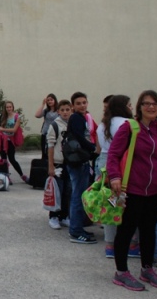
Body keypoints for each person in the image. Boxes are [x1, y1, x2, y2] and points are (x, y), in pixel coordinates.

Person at [107, 90, 157, 291]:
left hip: (155, 191)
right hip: (131, 190)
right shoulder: (129, 127)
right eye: (146, 103)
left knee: (148, 231)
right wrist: (115, 176)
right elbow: (113, 154)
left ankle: (147, 269)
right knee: (126, 231)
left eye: (155, 104)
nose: (151, 107)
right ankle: (121, 272)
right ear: (139, 107)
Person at [95, 95, 138, 258]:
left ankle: (110, 245)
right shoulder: (127, 123)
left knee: (110, 204)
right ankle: (133, 244)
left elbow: (99, 149)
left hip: (104, 162)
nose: (131, 107)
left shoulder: (103, 124)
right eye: (129, 104)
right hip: (122, 163)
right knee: (128, 204)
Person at [66, 92, 97, 244]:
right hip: (77, 162)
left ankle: (78, 228)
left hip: (79, 161)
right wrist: (93, 148)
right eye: (78, 103)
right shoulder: (76, 118)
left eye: (84, 102)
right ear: (73, 106)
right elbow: (80, 137)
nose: (82, 105)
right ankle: (76, 231)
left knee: (79, 195)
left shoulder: (81, 118)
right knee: (78, 197)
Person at [45, 99, 73, 230]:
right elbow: (50, 146)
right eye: (62, 110)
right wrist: (51, 166)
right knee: (58, 191)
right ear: (58, 111)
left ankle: (64, 216)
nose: (65, 112)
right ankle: (53, 216)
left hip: (70, 163)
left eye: (67, 109)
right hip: (58, 163)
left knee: (68, 191)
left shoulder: (73, 124)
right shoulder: (55, 125)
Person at [0, 101, 28, 183]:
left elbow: (14, 130)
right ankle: (6, 176)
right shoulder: (2, 116)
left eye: (10, 107)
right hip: (2, 140)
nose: (9, 108)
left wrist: (2, 129)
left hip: (11, 140)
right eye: (7, 107)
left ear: (13, 107)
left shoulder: (17, 117)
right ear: (5, 108)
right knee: (4, 159)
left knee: (12, 159)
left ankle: (22, 175)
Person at [34, 94, 58, 160]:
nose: (50, 101)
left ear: (55, 100)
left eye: (51, 100)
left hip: (55, 134)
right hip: (46, 133)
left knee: (54, 152)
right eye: (48, 100)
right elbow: (37, 115)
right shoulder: (46, 111)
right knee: (45, 153)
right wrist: (43, 104)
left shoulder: (58, 110)